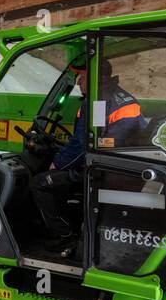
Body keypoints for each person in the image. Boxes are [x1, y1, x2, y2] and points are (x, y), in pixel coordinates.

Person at [30, 59, 145, 243]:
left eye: (82, 77)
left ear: (96, 78)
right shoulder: (120, 97)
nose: (78, 82)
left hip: (101, 171)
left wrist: (57, 163)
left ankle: (64, 235)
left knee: (40, 183)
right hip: (119, 166)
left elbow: (84, 144)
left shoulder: (96, 102)